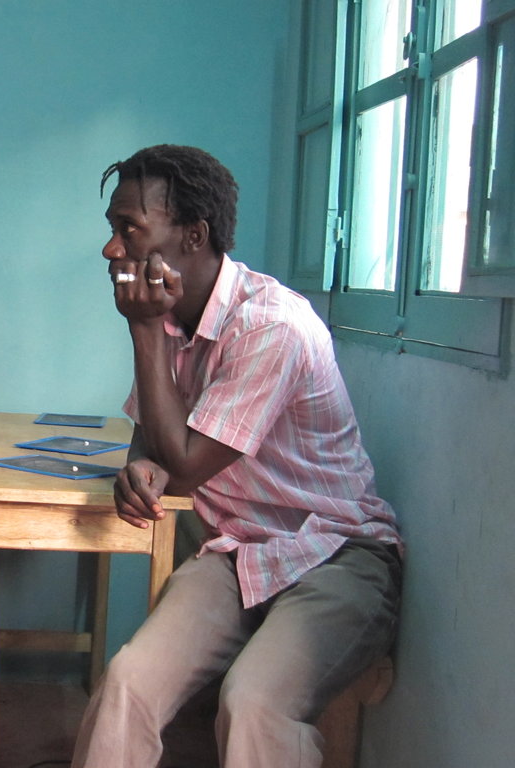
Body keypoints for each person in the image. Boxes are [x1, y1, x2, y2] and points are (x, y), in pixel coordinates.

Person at [71, 145, 403, 768]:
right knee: (127, 683)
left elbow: (190, 463)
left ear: (193, 236)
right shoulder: (175, 319)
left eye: (129, 229)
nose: (112, 249)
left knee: (254, 702)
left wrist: (141, 331)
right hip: (236, 554)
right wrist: (139, 464)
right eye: (112, 230)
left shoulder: (270, 325)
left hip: (335, 554)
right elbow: (156, 435)